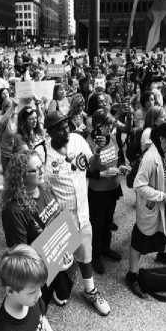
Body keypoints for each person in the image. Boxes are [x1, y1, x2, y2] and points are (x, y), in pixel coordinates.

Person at [43, 111, 111, 316]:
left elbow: (93, 165)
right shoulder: (42, 152)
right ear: (50, 132)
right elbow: (38, 184)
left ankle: (90, 291)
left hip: (82, 211)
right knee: (59, 259)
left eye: (67, 126)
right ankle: (54, 287)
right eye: (60, 128)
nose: (66, 131)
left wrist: (97, 151)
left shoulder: (78, 140)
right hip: (59, 217)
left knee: (84, 252)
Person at [0, 150, 74, 306]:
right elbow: (20, 254)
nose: (41, 172)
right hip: (39, 268)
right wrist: (51, 262)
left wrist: (66, 245)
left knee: (65, 291)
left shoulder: (45, 187)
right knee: (40, 306)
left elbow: (58, 216)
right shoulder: (13, 210)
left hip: (58, 256)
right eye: (34, 170)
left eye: (41, 166)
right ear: (21, 176)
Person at [126, 122, 166, 299]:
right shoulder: (150, 158)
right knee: (140, 239)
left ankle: (162, 254)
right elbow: (139, 185)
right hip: (152, 205)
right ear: (162, 139)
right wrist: (161, 196)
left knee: (165, 229)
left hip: (163, 202)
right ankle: (132, 275)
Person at [86, 109, 129, 274]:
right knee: (97, 224)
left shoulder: (111, 138)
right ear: (98, 125)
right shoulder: (90, 141)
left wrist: (120, 168)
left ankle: (105, 248)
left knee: (108, 221)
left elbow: (115, 158)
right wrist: (97, 151)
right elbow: (89, 168)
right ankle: (95, 256)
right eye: (107, 125)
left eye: (111, 124)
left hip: (113, 187)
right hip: (98, 191)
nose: (110, 127)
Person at [0, 245, 56, 331]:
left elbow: (41, 318)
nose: (40, 294)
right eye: (32, 292)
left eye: (40, 287)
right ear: (10, 291)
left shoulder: (32, 300)